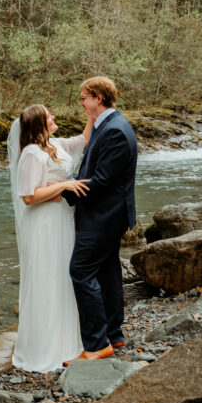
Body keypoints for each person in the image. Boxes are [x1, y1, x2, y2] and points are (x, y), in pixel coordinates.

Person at [7, 104, 93, 372]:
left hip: (60, 220)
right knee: (46, 278)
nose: (54, 117)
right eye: (48, 116)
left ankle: (68, 342)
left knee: (62, 277)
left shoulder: (54, 144)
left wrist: (93, 114)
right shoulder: (31, 154)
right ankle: (43, 348)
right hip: (43, 223)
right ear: (38, 124)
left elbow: (84, 140)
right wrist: (65, 185)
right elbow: (29, 196)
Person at [63, 76, 138, 361]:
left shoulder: (116, 130)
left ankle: (96, 345)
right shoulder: (105, 125)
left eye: (84, 97)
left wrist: (65, 192)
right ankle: (114, 335)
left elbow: (103, 181)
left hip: (105, 217)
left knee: (80, 271)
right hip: (106, 214)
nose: (81, 103)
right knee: (107, 272)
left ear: (99, 98)